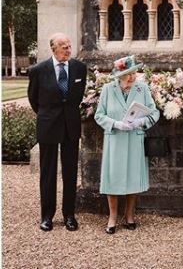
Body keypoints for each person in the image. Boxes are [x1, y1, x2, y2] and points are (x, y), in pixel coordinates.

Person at [28, 33, 87, 232]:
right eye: (63, 46)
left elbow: (77, 98)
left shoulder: (80, 68)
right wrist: (48, 116)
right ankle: (47, 216)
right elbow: (33, 99)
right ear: (53, 48)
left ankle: (69, 215)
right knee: (48, 173)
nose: (68, 49)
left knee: (70, 172)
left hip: (71, 126)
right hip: (48, 125)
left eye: (69, 46)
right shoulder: (38, 70)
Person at [94, 55, 160, 234]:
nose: (132, 77)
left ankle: (129, 215)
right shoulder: (108, 89)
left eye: (134, 73)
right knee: (112, 178)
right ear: (119, 75)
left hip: (134, 138)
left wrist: (140, 122)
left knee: (132, 177)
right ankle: (112, 217)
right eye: (127, 74)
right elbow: (99, 115)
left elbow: (154, 113)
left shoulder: (142, 88)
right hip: (115, 139)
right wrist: (115, 124)